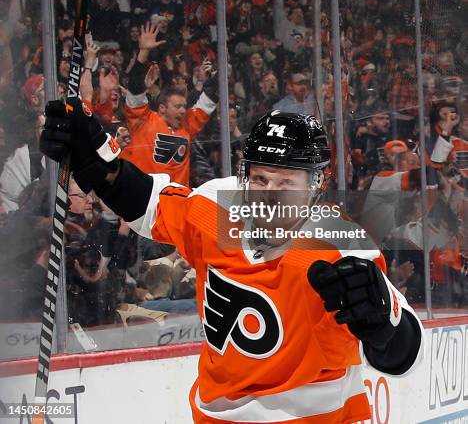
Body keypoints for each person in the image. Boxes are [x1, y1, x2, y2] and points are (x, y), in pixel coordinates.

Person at [41, 101, 423, 424]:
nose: (269, 195)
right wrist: (96, 163)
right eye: (260, 178)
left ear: (315, 184)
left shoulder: (340, 245)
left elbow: (405, 354)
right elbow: (151, 204)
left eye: (285, 182)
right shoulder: (219, 206)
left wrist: (383, 325)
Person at [120, 22, 218, 185]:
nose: (182, 111)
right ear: (162, 108)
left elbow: (209, 100)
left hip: (175, 204)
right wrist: (143, 52)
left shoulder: (186, 126)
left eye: (184, 106)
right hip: (143, 202)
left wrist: (216, 77)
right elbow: (135, 90)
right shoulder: (143, 120)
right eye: (177, 106)